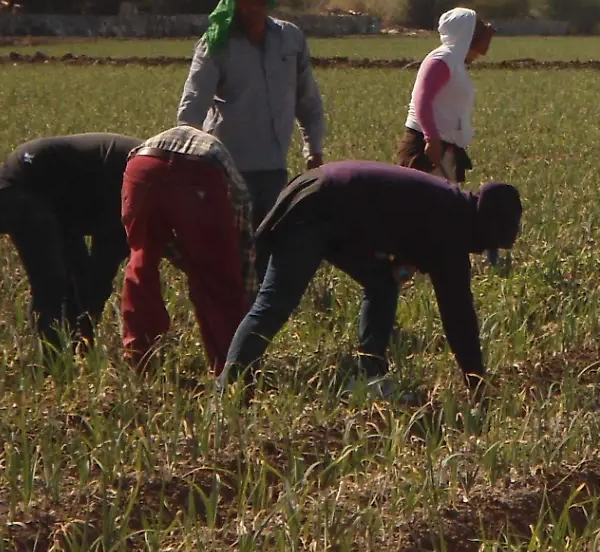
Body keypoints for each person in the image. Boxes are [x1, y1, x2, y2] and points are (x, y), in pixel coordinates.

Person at [219, 162, 521, 398]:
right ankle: (228, 389)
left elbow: (398, 236)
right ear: (485, 229)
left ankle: (369, 377)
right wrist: (477, 381)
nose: (483, 252)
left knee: (382, 283)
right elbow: (458, 316)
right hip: (317, 206)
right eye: (488, 245)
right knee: (274, 304)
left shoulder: (453, 208)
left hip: (339, 209)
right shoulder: (451, 227)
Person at [177, 0, 327, 232]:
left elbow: (308, 99)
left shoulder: (289, 39)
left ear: (267, 2)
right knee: (230, 247)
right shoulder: (216, 43)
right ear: (232, 4)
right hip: (228, 168)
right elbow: (194, 100)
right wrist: (186, 158)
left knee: (268, 244)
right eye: (243, 1)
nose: (251, 8)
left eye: (257, 0)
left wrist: (313, 149)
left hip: (274, 166)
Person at [119, 126, 257, 374]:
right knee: (220, 279)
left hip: (141, 166)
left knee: (141, 264)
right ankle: (232, 367)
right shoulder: (237, 189)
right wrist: (246, 293)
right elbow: (240, 247)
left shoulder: (215, 158)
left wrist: (190, 260)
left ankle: (139, 358)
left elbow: (167, 239)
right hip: (197, 171)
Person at [0, 134, 141, 351]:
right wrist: (90, 318)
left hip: (59, 199)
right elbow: (104, 262)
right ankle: (53, 364)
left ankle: (72, 348)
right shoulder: (138, 181)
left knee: (79, 279)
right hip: (28, 184)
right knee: (53, 285)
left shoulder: (151, 173)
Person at [397, 8, 495, 182]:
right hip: (427, 148)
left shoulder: (454, 61)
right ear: (468, 35)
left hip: (442, 148)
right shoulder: (442, 59)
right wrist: (431, 139)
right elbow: (422, 98)